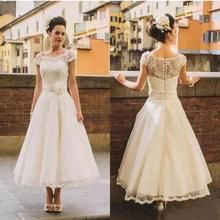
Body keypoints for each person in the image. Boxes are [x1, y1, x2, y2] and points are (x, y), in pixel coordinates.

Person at [115, 14, 212, 212]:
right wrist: (193, 79)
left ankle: (157, 197)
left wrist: (122, 80)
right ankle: (165, 196)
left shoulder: (147, 58)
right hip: (173, 107)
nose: (177, 34)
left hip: (153, 108)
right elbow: (184, 82)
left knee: (151, 152)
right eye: (176, 31)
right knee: (172, 153)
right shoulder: (180, 58)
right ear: (168, 32)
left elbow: (139, 87)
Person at [13, 16, 100, 213]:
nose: (60, 36)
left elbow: (72, 83)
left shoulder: (69, 55)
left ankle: (58, 192)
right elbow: (38, 85)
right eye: (57, 32)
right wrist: (32, 109)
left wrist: (78, 109)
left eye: (63, 33)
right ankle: (47, 192)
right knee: (45, 147)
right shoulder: (40, 58)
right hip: (45, 104)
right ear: (49, 33)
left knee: (61, 147)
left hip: (63, 104)